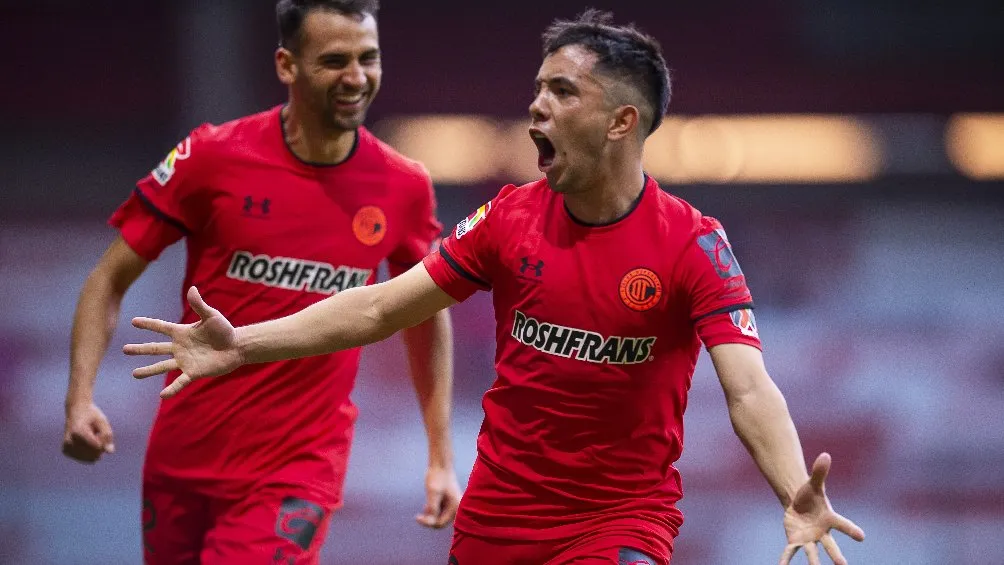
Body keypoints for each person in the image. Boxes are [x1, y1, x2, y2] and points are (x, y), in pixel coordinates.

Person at [124, 9, 865, 565]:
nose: (536, 106)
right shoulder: (509, 218)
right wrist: (242, 344)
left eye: (562, 91)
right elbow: (381, 306)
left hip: (618, 522)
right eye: (537, 88)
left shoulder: (693, 243)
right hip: (495, 524)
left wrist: (791, 486)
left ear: (621, 121)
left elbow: (748, 387)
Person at [61, 1, 461, 563]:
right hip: (184, 453)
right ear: (286, 65)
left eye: (368, 58)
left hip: (298, 467)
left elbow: (425, 314)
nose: (356, 78)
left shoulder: (403, 185)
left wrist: (440, 455)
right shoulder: (212, 155)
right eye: (334, 61)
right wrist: (79, 399)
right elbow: (108, 278)